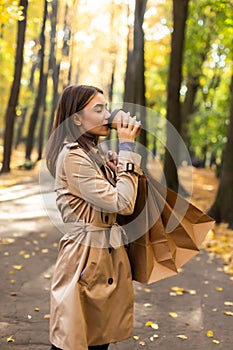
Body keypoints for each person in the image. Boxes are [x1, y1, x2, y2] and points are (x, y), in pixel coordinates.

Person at [45, 84, 142, 350]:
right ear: (76, 118)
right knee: (74, 340)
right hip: (85, 259)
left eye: (107, 107)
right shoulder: (74, 157)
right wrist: (127, 148)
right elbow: (123, 203)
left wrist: (115, 166)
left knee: (97, 340)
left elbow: (118, 196)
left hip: (106, 256)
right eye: (98, 109)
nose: (107, 115)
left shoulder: (92, 154)